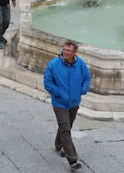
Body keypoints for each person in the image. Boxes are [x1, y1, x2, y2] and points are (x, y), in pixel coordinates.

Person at [43, 40, 91, 171]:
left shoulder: (80, 63)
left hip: (74, 102)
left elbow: (87, 76)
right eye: (64, 49)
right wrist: (58, 93)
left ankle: (59, 145)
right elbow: (47, 82)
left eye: (69, 50)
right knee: (65, 128)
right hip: (60, 103)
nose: (65, 52)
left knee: (66, 126)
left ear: (74, 53)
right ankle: (73, 160)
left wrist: (82, 89)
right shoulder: (54, 64)